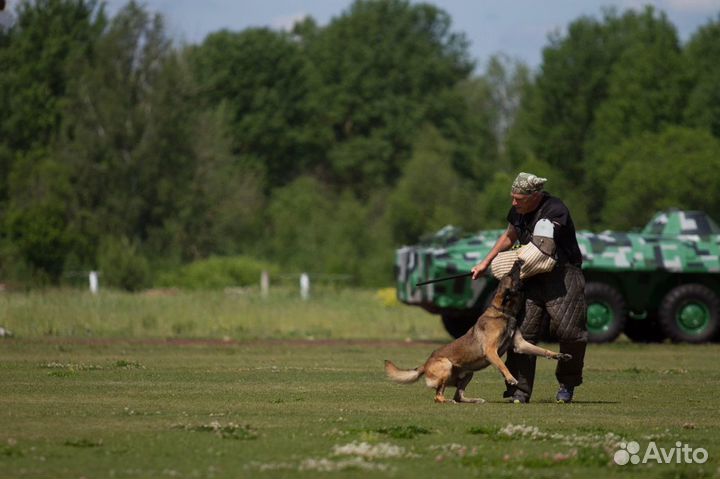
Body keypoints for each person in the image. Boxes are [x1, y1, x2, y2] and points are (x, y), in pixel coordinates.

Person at [471, 172, 587, 403]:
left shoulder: (555, 209)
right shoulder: (518, 211)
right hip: (530, 275)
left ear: (535, 196)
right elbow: (509, 235)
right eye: (512, 198)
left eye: (519, 199)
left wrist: (511, 263)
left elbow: (543, 247)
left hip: (562, 275)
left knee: (570, 332)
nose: (514, 203)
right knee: (522, 332)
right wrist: (486, 262)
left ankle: (568, 383)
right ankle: (519, 391)